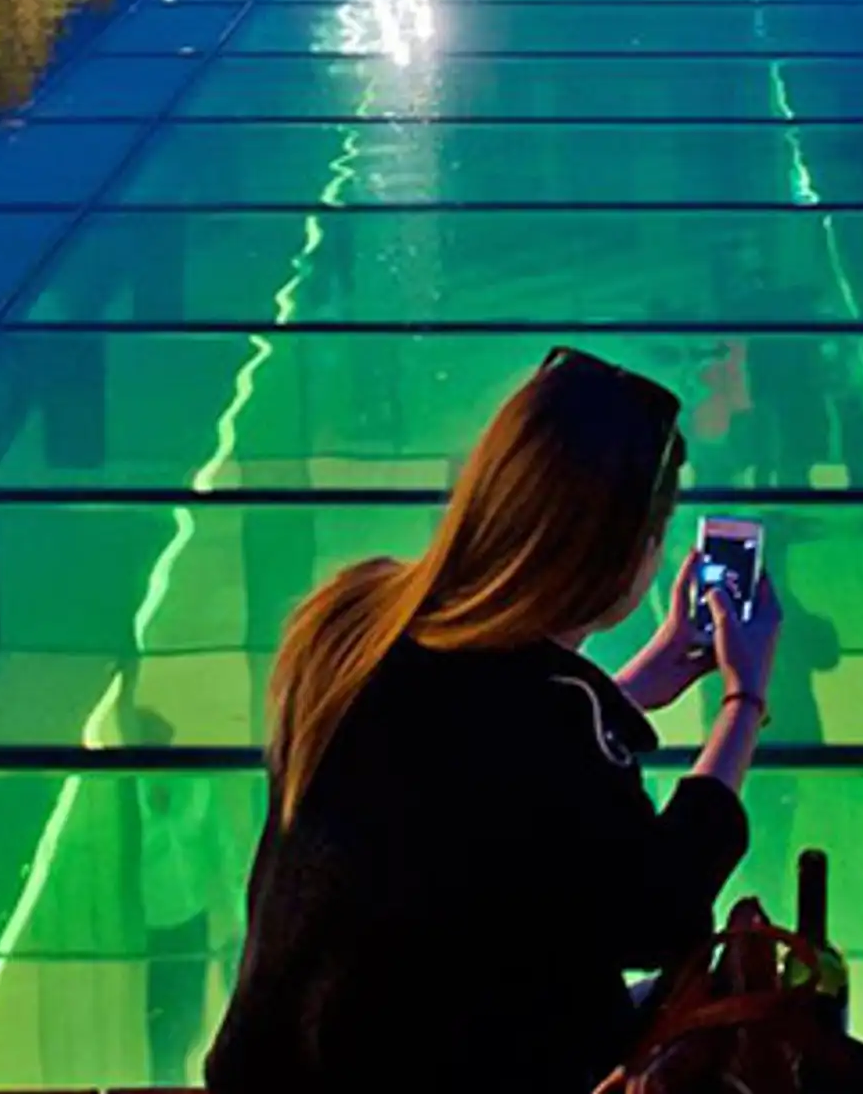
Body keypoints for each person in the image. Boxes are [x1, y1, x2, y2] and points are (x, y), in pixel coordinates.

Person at [207, 349, 773, 1094]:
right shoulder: (549, 714)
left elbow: (471, 784)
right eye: (655, 530)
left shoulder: (353, 623)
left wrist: (630, 687)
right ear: (615, 551)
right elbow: (656, 909)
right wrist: (744, 700)